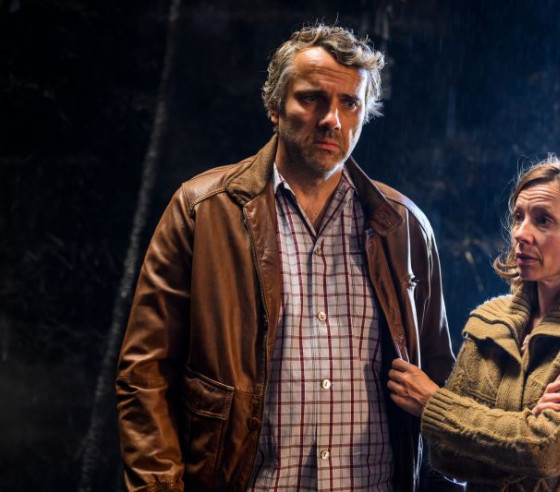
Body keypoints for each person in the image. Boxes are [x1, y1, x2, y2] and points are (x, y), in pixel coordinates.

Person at [116, 24, 456, 491]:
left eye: (349, 103)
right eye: (312, 98)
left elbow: (439, 375)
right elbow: (144, 376)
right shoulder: (202, 211)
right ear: (274, 108)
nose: (331, 119)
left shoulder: (403, 227)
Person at [388, 157, 560, 491]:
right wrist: (525, 425)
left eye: (543, 221)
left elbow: (545, 451)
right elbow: (445, 455)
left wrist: (434, 405)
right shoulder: (490, 322)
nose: (521, 234)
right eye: (518, 217)